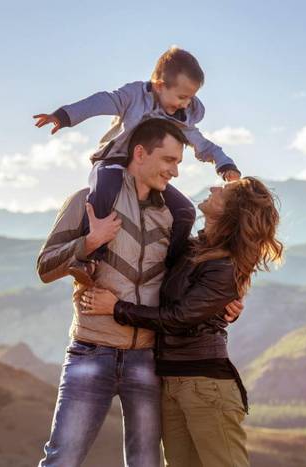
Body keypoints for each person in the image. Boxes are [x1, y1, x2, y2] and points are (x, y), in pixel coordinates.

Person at [35, 118, 243, 467]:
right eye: (169, 160)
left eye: (179, 162)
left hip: (147, 360)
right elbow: (44, 268)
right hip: (90, 352)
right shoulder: (87, 203)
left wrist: (228, 300)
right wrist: (90, 241)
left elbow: (191, 276)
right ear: (140, 153)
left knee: (147, 464)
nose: (175, 171)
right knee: (61, 460)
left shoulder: (174, 217)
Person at [81, 176, 284, 467]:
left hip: (205, 385)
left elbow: (179, 318)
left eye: (222, 192)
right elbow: (170, 194)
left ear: (231, 211)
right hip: (170, 382)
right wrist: (130, 162)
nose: (213, 187)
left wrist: (116, 308)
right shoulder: (193, 250)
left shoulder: (223, 265)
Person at [33, 46, 241, 286]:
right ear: (159, 85)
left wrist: (225, 164)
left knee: (185, 211)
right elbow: (103, 101)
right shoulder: (134, 97)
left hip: (146, 178)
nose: (185, 104)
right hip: (114, 162)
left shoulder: (181, 120)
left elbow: (202, 144)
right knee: (104, 193)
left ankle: (173, 268)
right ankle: (91, 259)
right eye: (182, 97)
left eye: (191, 98)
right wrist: (65, 116)